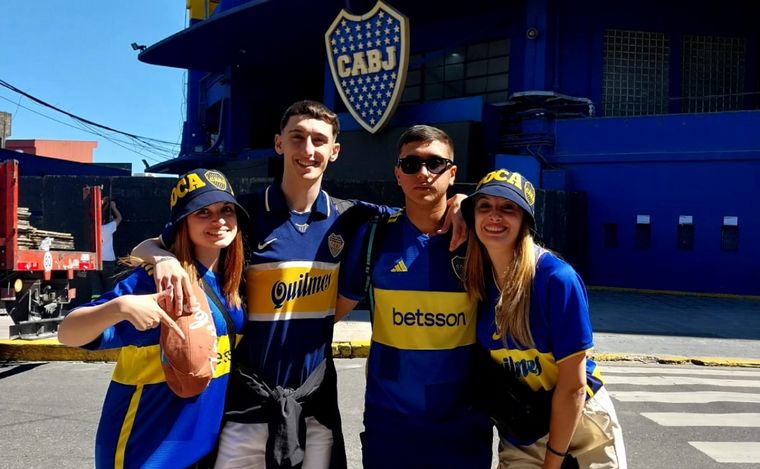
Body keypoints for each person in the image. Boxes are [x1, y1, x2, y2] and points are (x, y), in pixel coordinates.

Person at [132, 102, 468, 469]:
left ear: (334, 151)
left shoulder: (353, 217)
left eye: (319, 141)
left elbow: (418, 214)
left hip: (314, 401)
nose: (308, 150)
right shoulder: (240, 214)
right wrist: (162, 258)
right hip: (243, 401)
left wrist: (462, 203)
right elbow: (147, 246)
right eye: (298, 138)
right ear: (279, 144)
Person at [58, 168, 247, 468]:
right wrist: (120, 307)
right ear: (182, 222)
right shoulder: (154, 282)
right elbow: (68, 333)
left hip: (202, 450)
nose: (218, 220)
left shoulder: (231, 282)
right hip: (144, 451)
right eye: (202, 212)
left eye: (226, 210)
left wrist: (157, 253)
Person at [336, 125, 493, 469]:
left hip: (463, 426)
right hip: (390, 425)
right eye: (411, 164)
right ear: (398, 174)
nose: (423, 173)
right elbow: (328, 312)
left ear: (452, 174)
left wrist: (469, 206)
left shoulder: (480, 239)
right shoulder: (374, 236)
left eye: (435, 163)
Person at [460, 168, 627, 468]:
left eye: (508, 208)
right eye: (484, 207)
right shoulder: (477, 280)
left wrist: (553, 461)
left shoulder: (556, 279)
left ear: (525, 220)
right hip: (523, 426)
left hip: (580, 422)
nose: (494, 216)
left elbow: (573, 386)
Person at [92, 197, 123, 297]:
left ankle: (95, 304)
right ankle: (107, 304)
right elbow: (119, 218)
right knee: (108, 286)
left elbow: (95, 217)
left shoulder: (92, 230)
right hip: (108, 261)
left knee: (95, 289)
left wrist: (101, 205)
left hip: (95, 261)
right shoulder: (108, 228)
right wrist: (114, 208)